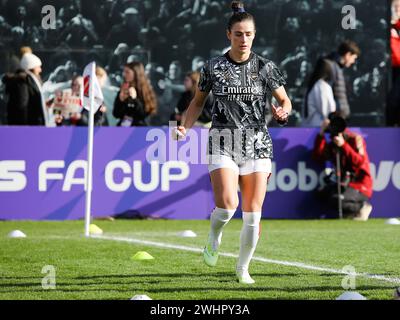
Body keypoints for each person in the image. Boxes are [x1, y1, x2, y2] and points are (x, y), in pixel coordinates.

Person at [174, 1, 291, 284]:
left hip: (257, 144)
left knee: (253, 214)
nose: (244, 39)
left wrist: (283, 112)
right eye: (238, 33)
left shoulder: (265, 67)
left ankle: (242, 269)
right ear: (229, 34)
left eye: (248, 34)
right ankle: (214, 236)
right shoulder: (213, 67)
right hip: (223, 140)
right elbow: (197, 103)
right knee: (227, 205)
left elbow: (284, 100)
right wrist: (184, 127)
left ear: (254, 35)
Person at [312, 114, 373, 221]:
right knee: (322, 194)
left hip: (359, 185)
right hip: (344, 183)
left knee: (337, 200)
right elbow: (318, 157)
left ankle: (362, 207)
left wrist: (344, 145)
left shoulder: (355, 139)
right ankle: (350, 212)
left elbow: (360, 163)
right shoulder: (332, 144)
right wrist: (321, 133)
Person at [2, 52, 50, 126]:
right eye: (38, 67)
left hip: (33, 125)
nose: (40, 70)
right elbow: (22, 106)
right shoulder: (22, 82)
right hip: (27, 127)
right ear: (32, 67)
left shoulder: (31, 81)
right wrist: (24, 129)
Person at [113, 62, 157, 126]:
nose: (124, 75)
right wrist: (120, 100)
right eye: (124, 72)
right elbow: (116, 114)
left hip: (139, 128)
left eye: (127, 72)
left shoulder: (145, 90)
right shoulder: (124, 88)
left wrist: (135, 99)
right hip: (124, 128)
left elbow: (144, 114)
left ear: (136, 73)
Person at [324, 40, 360, 120]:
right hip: (334, 118)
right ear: (348, 55)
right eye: (354, 58)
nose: (353, 61)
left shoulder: (337, 67)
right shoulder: (332, 67)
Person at [302, 58, 336, 126]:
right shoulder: (322, 86)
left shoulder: (314, 84)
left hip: (311, 125)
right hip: (319, 126)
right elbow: (326, 109)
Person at [387, 0, 400, 126]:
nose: (397, 10)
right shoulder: (384, 25)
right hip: (389, 68)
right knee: (392, 99)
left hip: (398, 68)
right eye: (395, 6)